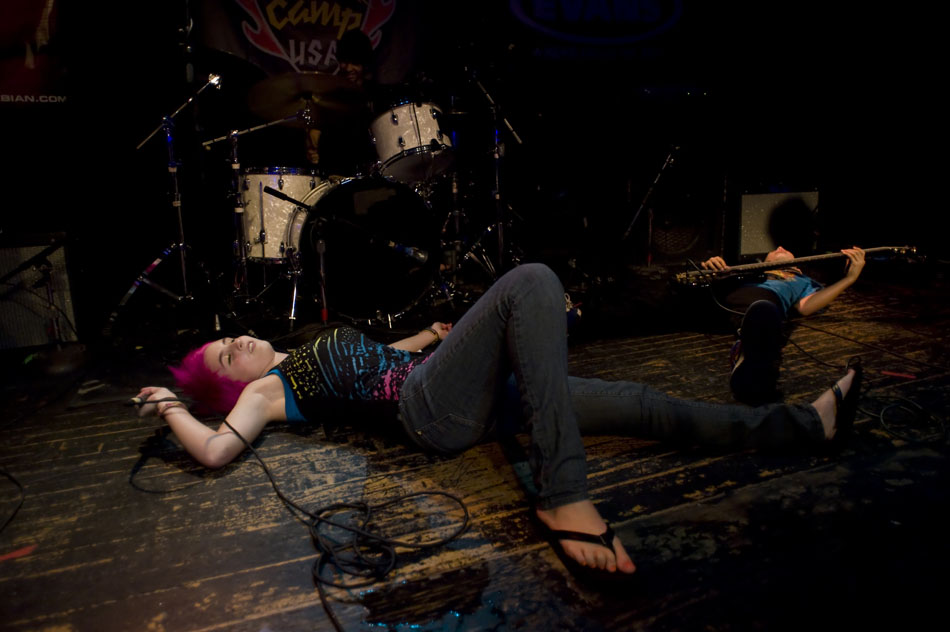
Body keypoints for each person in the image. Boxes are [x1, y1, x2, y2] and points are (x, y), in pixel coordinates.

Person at [137, 263, 860, 582]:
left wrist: (433, 338)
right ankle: (561, 493)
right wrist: (172, 407)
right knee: (532, 281)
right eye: (223, 358)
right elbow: (216, 451)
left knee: (643, 404)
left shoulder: (305, 352)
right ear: (229, 384)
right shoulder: (264, 391)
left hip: (444, 388)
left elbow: (373, 361)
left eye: (228, 337)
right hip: (427, 413)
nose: (235, 345)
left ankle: (804, 426)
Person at [700, 246, 866, 406]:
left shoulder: (802, 280)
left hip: (759, 303)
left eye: (785, 249)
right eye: (774, 251)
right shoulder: (745, 269)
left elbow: (806, 307)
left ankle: (751, 365)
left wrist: (849, 278)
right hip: (716, 296)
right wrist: (711, 267)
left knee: (764, 310)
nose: (779, 247)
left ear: (798, 266)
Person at [304, 29, 377, 175]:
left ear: (365, 63)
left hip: (371, 175)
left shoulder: (375, 95)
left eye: (355, 63)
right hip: (336, 176)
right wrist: (312, 147)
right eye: (344, 62)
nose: (348, 68)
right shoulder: (330, 96)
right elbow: (316, 139)